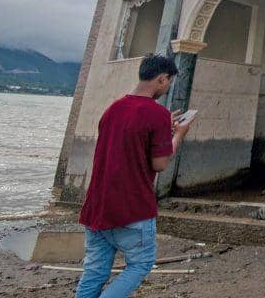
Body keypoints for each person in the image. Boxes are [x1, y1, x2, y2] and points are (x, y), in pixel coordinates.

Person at [76, 54, 195, 298]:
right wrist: (178, 134)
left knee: (96, 270)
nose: (167, 87)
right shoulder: (156, 114)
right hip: (131, 207)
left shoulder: (114, 108)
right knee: (140, 264)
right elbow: (160, 163)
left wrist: (163, 127)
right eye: (169, 82)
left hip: (97, 205)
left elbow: (129, 139)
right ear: (162, 79)